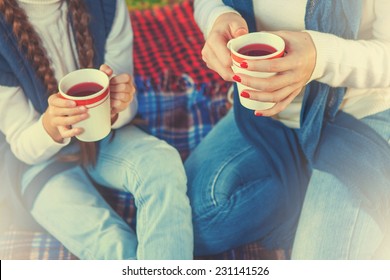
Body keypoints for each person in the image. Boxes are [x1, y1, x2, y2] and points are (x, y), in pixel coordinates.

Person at [185, 0, 390, 259]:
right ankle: (310, 187)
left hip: (360, 113)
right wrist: (217, 17)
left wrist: (319, 55)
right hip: (267, 113)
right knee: (191, 221)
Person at [0, 0, 193, 260]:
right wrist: (51, 126)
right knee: (111, 245)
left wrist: (118, 106)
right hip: (37, 161)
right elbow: (23, 146)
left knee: (162, 163)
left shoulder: (106, 5)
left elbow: (127, 99)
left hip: (104, 135)